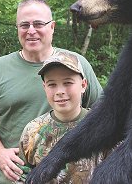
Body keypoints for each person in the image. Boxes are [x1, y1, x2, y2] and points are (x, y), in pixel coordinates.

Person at [0, 0, 103, 184]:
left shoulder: (76, 64)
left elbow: (103, 115)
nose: (31, 30)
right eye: (24, 25)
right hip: (14, 178)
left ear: (52, 27)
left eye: (38, 23)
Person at [16, 52, 102, 183]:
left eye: (68, 82)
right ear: (44, 87)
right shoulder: (33, 131)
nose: (60, 91)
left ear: (83, 85)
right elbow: (21, 178)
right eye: (52, 84)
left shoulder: (102, 128)